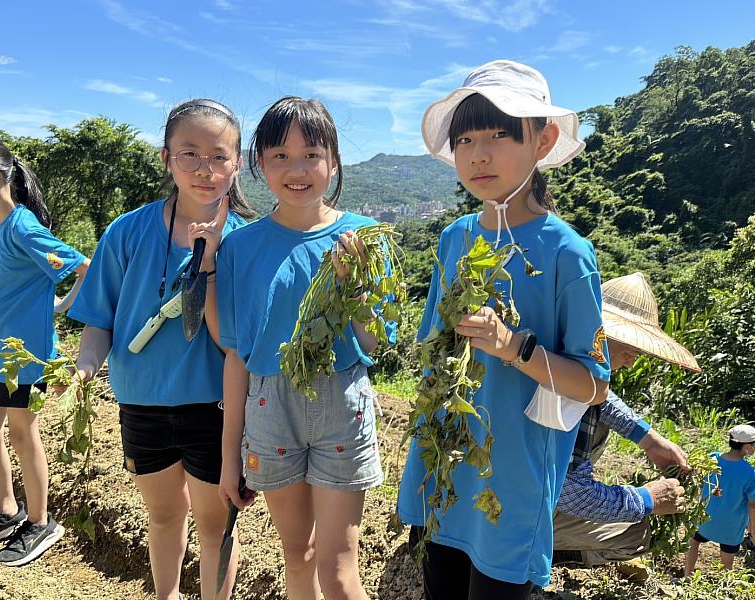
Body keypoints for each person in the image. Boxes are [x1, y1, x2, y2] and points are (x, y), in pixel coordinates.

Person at [397, 60, 611, 599]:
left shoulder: (567, 254)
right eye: (465, 138)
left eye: (498, 134)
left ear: (544, 140)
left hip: (511, 482)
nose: (478, 154)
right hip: (444, 469)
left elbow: (593, 385)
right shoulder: (455, 238)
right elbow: (431, 350)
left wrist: (513, 346)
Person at [66, 99, 254, 600]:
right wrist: (86, 367)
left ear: (238, 163)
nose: (204, 169)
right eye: (189, 154)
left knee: (216, 526)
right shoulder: (127, 231)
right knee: (165, 516)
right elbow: (98, 318)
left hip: (216, 408)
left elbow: (243, 339)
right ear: (167, 157)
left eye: (219, 156)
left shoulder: (246, 242)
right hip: (141, 402)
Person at [217, 96, 390, 600]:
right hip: (270, 407)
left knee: (338, 570)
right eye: (280, 156)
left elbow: (374, 340)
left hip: (342, 402)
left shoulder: (363, 238)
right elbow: (237, 356)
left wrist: (353, 287)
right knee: (299, 557)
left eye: (311, 154)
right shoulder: (241, 247)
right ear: (259, 165)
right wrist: (231, 460)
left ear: (333, 161)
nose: (298, 169)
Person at [0, 134, 89, 565]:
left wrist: (60, 308)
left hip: (21, 357)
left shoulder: (24, 226)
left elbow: (82, 265)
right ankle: (6, 511)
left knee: (20, 432)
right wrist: (51, 301)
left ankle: (40, 521)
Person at [554, 272, 699, 568]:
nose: (632, 360)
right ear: (603, 335)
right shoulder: (569, 391)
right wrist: (647, 499)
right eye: (630, 349)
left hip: (516, 495)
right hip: (518, 508)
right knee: (635, 533)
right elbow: (567, 492)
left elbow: (603, 399)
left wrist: (649, 439)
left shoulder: (566, 363)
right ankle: (543, 551)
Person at [684, 424, 755, 576]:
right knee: (727, 557)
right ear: (747, 448)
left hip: (704, 519)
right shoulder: (749, 473)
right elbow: (752, 506)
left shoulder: (712, 459)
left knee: (694, 542)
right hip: (730, 527)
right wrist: (753, 531)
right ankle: (723, 585)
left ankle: (687, 575)